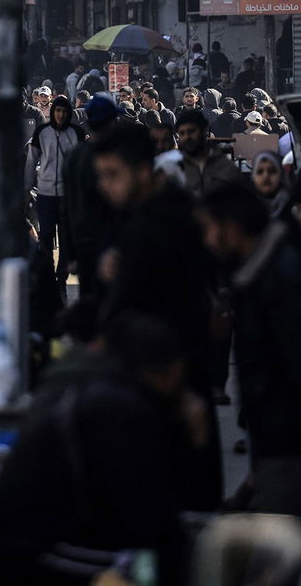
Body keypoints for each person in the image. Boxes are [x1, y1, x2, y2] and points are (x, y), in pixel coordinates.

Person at [0, 312, 196, 585]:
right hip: (27, 554)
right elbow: (154, 519)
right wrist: (192, 441)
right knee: (149, 563)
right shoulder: (122, 410)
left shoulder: (102, 389)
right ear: (169, 368)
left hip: (16, 540)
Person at [93, 123, 223, 510]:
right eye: (101, 176)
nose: (105, 186)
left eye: (113, 175)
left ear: (144, 171)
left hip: (167, 384)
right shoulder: (165, 213)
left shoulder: (153, 226)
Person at [200, 184, 301, 515]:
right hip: (274, 449)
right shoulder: (255, 275)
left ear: (231, 229)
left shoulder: (281, 279)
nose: (207, 241)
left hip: (287, 450)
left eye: (210, 229)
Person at [26, 95, 84, 290]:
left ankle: (61, 278)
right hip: (45, 193)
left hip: (68, 195)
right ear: (53, 112)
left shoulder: (77, 133)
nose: (60, 114)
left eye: (63, 111)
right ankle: (48, 277)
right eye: (57, 111)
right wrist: (27, 188)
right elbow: (31, 161)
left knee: (67, 238)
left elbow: (81, 163)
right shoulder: (41, 132)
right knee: (46, 238)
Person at [175, 110, 241, 197]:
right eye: (182, 133)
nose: (187, 137)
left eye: (191, 131)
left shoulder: (223, 166)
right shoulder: (173, 166)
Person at [251, 150, 291, 218]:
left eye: (272, 171)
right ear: (253, 177)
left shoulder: (292, 208)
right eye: (260, 172)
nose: (266, 176)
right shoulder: (246, 207)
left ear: (281, 175)